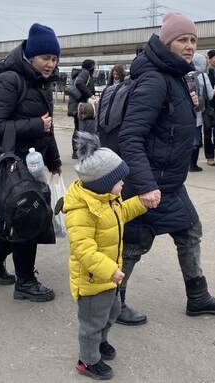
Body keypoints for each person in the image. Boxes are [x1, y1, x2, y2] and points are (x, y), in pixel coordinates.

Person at [117, 13, 215, 326]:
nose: (189, 46)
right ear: (167, 42)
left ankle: (197, 296)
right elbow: (131, 137)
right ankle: (113, 301)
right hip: (150, 182)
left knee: (189, 230)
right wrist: (143, 184)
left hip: (169, 181)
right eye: (182, 39)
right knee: (134, 243)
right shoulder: (156, 80)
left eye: (193, 40)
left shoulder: (175, 75)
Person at [0, 23, 62, 301]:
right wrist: (35, 124)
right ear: (30, 55)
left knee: (19, 215)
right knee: (28, 217)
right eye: (45, 58)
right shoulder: (10, 80)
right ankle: (25, 282)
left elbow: (46, 127)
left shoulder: (40, 82)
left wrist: (55, 159)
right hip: (11, 163)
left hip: (32, 162)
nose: (50, 64)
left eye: (54, 58)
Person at [63, 132, 147, 380]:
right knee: (91, 323)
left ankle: (100, 343)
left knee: (111, 312)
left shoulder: (109, 199)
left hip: (109, 277)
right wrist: (108, 269)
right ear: (102, 182)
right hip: (92, 279)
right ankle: (87, 361)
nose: (123, 184)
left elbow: (121, 214)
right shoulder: (81, 211)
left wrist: (141, 203)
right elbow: (83, 249)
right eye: (119, 180)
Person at [190, 53, 214, 172]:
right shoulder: (203, 75)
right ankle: (193, 165)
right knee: (195, 138)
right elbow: (210, 96)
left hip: (183, 112)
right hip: (198, 112)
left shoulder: (183, 73)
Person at [68, 59, 96, 159]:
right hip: (80, 106)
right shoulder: (85, 72)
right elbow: (79, 83)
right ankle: (77, 151)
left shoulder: (81, 73)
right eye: (94, 65)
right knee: (80, 129)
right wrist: (90, 95)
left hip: (77, 105)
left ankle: (77, 151)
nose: (95, 67)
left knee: (79, 128)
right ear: (91, 66)